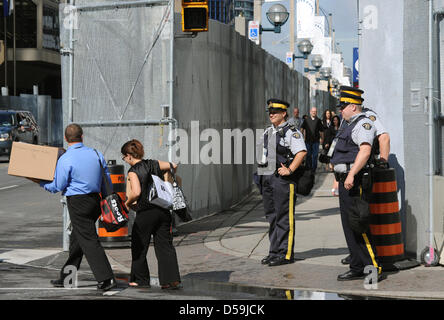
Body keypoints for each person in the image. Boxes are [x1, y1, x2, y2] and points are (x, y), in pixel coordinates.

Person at [34, 124, 117, 291]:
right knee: (77, 240)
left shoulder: (65, 159)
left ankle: (107, 278)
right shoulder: (95, 153)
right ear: (82, 136)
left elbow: (57, 185)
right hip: (95, 200)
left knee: (88, 240)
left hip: (78, 203)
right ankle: (67, 278)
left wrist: (40, 182)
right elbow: (106, 179)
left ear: (66, 138)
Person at [330, 86, 381, 281]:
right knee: (349, 225)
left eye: (342, 106)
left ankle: (372, 268)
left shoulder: (363, 124)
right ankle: (357, 265)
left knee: (359, 225)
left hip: (356, 181)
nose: (340, 110)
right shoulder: (348, 124)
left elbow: (365, 151)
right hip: (346, 182)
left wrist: (351, 174)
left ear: (352, 106)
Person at [122, 139, 181, 289]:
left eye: (124, 157)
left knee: (139, 246)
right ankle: (170, 281)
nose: (125, 160)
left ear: (129, 156)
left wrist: (127, 203)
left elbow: (136, 192)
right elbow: (173, 166)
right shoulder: (153, 163)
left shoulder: (133, 171)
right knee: (165, 246)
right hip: (162, 209)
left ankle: (141, 280)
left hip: (146, 212)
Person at [259, 98, 307, 267]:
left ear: (284, 113)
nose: (271, 114)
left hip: (283, 180)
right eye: (270, 112)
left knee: (284, 217)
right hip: (268, 178)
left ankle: (285, 253)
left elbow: (301, 152)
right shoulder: (268, 131)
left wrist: (290, 169)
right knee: (272, 216)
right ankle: (274, 251)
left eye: (275, 112)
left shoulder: (290, 131)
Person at [300, 107, 324, 173]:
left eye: (315, 111)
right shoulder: (306, 120)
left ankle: (313, 169)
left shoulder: (318, 120)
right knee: (308, 155)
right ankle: (308, 168)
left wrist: (322, 139)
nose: (314, 112)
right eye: (313, 111)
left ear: (316, 112)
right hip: (308, 141)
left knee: (315, 155)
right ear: (310, 112)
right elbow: (302, 128)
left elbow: (321, 131)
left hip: (316, 141)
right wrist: (300, 137)